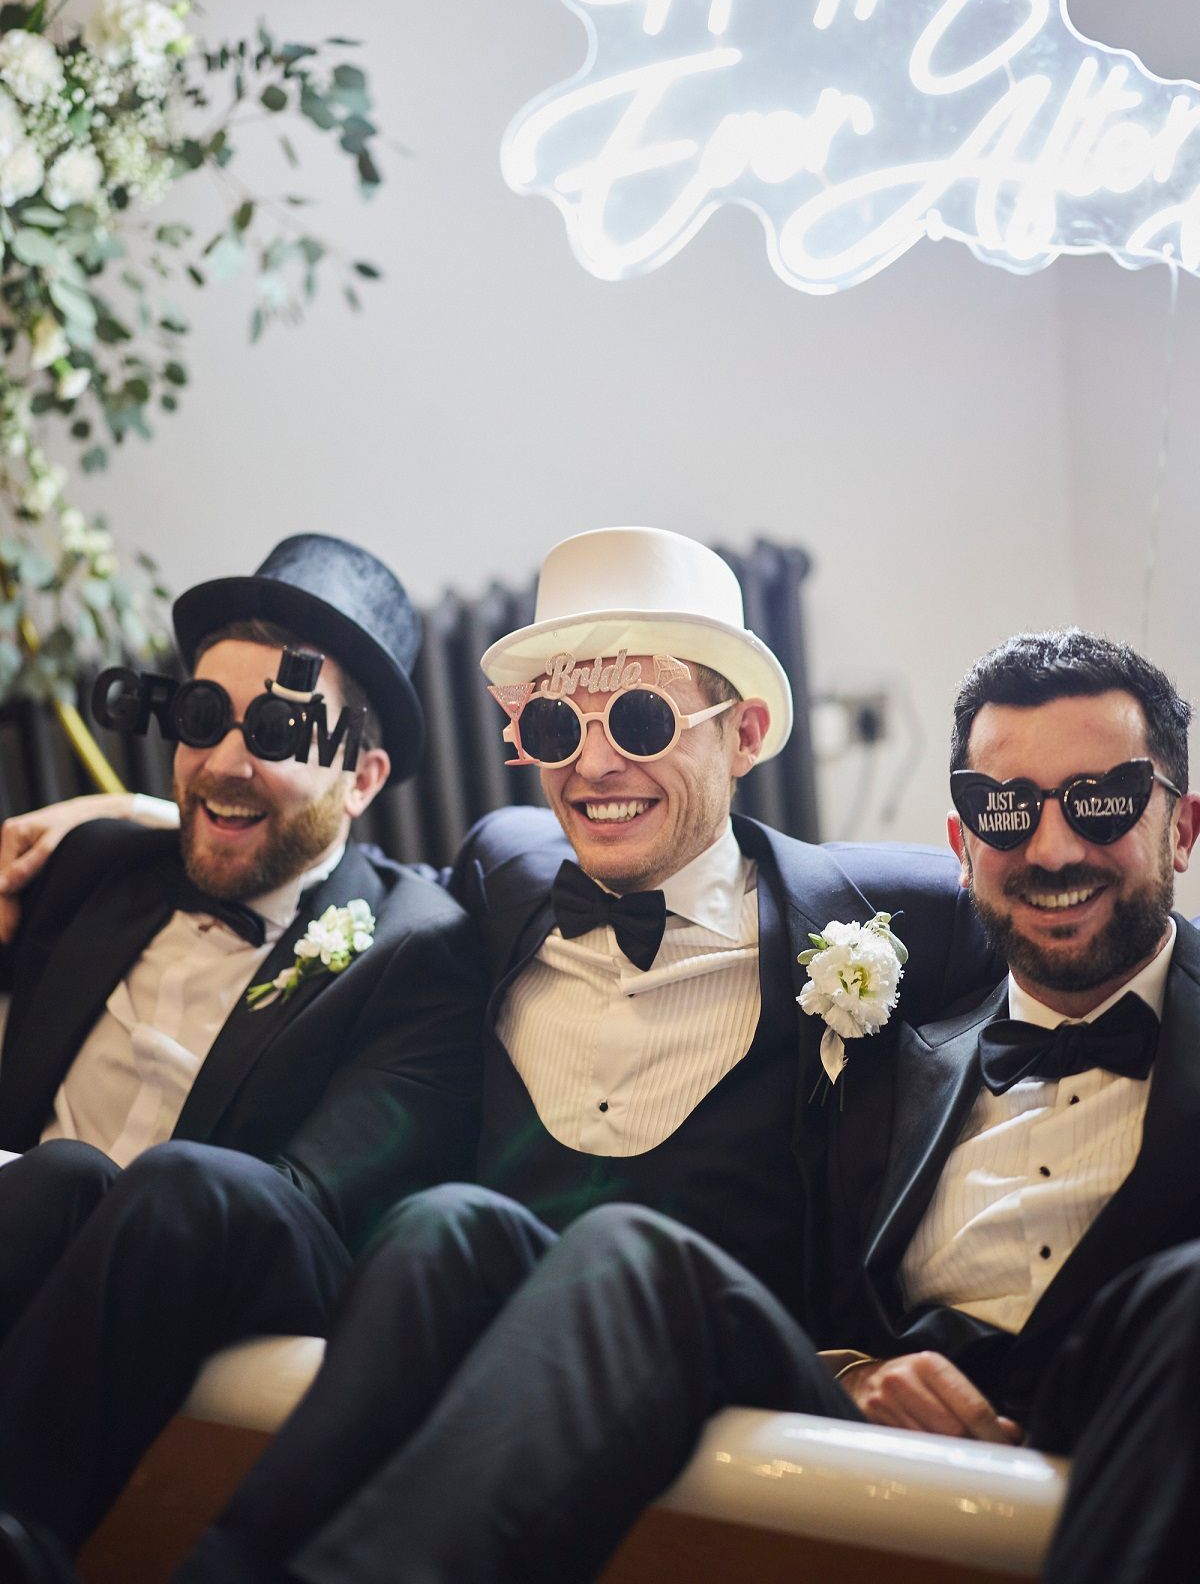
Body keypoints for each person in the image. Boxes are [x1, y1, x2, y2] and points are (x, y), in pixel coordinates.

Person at [2, 524, 1007, 1584]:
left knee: (608, 1248)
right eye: (552, 726)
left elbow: (1081, 955)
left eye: (640, 716)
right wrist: (141, 817)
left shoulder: (901, 918)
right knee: (443, 1221)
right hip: (517, 1313)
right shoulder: (505, 866)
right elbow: (323, 848)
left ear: (746, 730)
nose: (594, 764)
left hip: (738, 1343)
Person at [158, 626, 1200, 1584]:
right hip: (852, 1420)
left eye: (1102, 802)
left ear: (1183, 826)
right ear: (963, 841)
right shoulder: (912, 1035)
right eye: (1008, 810)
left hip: (1126, 1425)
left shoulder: (883, 936)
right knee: (578, 1242)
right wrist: (134, 827)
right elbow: (370, 869)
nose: (1054, 850)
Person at [0, 533, 484, 1572]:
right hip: (35, 1221)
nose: (222, 761)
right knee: (61, 1178)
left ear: (362, 777)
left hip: (248, 1247)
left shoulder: (417, 947)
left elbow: (306, 1200)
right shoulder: (91, 870)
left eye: (273, 729)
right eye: (204, 719)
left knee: (171, 1185)